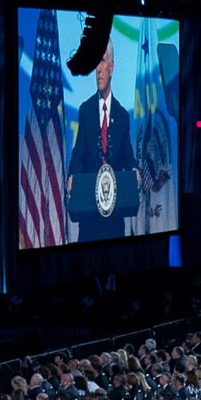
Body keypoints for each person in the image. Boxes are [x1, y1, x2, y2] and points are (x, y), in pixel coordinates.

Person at [63, 32, 143, 242]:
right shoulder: (86, 110)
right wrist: (71, 177)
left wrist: (135, 170)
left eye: (102, 61)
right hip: (89, 215)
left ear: (112, 67)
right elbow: (79, 152)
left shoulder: (122, 115)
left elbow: (127, 155)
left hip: (114, 216)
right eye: (95, 64)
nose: (97, 70)